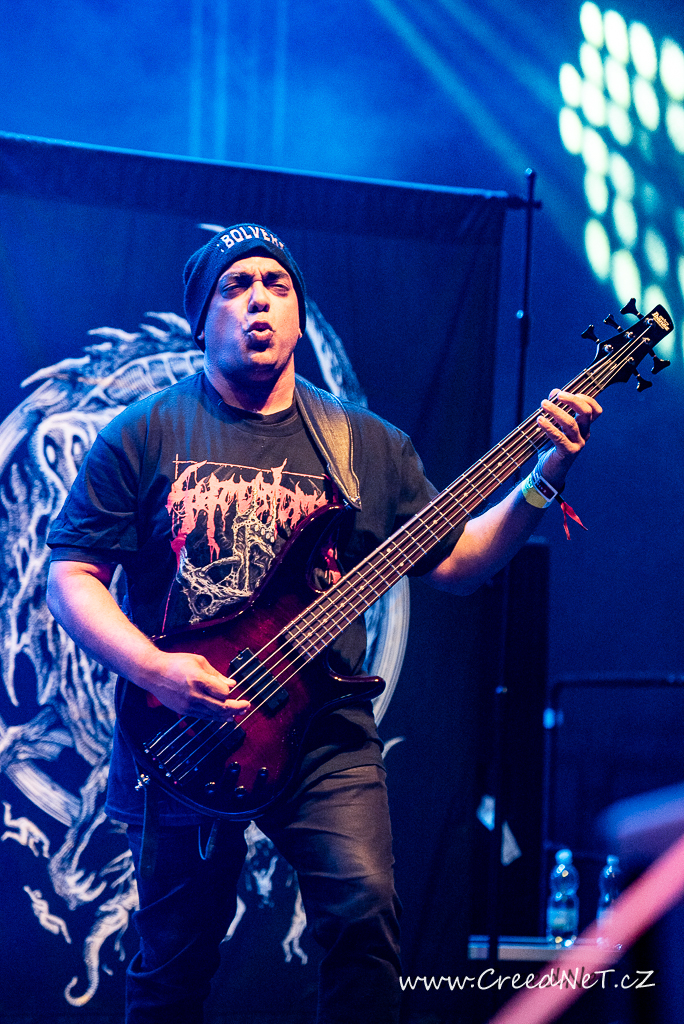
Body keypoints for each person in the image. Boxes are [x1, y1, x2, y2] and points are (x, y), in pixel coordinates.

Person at [46, 223, 601, 1024]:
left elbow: (460, 563)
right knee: (172, 963)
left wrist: (544, 479)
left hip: (324, 731)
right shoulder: (143, 433)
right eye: (236, 286)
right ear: (201, 318)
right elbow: (72, 578)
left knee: (365, 921)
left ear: (300, 316)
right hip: (181, 727)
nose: (259, 300)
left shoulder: (363, 445)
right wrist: (154, 668)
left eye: (276, 284)